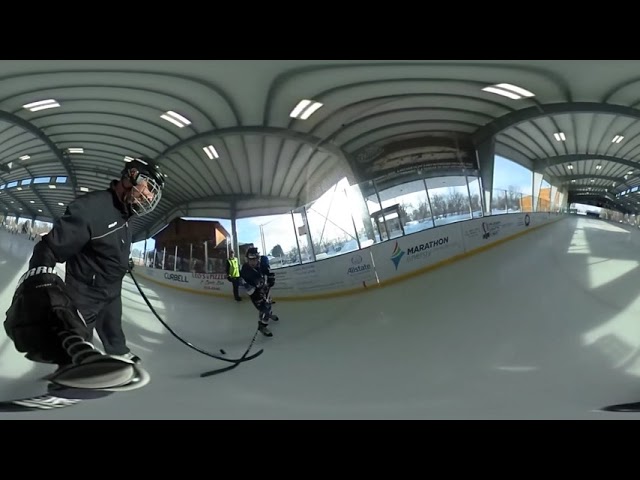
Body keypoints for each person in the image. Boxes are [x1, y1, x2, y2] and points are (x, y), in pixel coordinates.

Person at [3, 157, 166, 385]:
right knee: (76, 332)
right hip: (85, 292)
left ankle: (117, 350)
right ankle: (73, 369)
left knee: (112, 325)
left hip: (111, 288)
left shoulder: (126, 215)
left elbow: (109, 245)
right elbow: (50, 246)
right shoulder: (92, 208)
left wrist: (122, 262)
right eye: (149, 187)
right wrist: (37, 278)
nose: (149, 196)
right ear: (131, 175)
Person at [239, 247, 278, 337]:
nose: (253, 262)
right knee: (264, 308)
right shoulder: (245, 271)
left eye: (255, 259)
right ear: (247, 259)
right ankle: (262, 325)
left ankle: (268, 314)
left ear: (258, 258)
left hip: (264, 288)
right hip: (255, 293)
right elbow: (248, 288)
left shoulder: (262, 263)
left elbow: (267, 271)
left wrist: (270, 277)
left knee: (268, 302)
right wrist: (257, 290)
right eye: (250, 260)